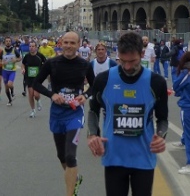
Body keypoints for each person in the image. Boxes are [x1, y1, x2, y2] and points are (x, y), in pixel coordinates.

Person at [87, 31, 168, 196]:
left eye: (133, 61)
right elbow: (93, 111)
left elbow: (163, 119)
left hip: (143, 158)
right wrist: (92, 135)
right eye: (123, 61)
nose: (127, 67)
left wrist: (161, 136)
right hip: (114, 158)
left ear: (142, 54)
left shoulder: (156, 82)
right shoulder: (103, 80)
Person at [33, 31, 96, 196]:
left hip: (75, 113)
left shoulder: (85, 65)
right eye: (66, 42)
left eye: (72, 43)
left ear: (78, 45)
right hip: (57, 113)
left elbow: (95, 85)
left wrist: (85, 95)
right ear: (61, 44)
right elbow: (36, 83)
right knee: (61, 156)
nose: (68, 46)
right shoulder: (52, 63)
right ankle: (75, 178)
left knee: (70, 156)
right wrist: (52, 95)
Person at [21, 40, 46, 118]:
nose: (31, 48)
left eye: (33, 46)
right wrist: (23, 69)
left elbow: (46, 64)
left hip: (38, 78)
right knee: (31, 94)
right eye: (30, 46)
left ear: (36, 47)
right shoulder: (27, 56)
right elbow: (23, 64)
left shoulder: (40, 56)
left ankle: (38, 100)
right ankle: (33, 110)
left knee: (36, 95)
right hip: (29, 78)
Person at [1, 36, 21, 106]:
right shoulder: (2, 51)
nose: (8, 42)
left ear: (11, 42)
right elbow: (0, 61)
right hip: (4, 71)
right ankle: (10, 100)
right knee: (6, 87)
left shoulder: (14, 50)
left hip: (12, 71)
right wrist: (2, 63)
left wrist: (16, 60)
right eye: (6, 41)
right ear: (4, 42)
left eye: (9, 41)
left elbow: (20, 58)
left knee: (10, 84)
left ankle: (12, 91)